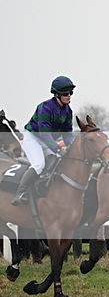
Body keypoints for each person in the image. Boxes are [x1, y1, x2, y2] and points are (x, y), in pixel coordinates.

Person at [12, 76, 76, 206]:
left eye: (71, 93)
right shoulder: (45, 107)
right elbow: (44, 134)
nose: (69, 96)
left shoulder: (68, 111)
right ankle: (20, 193)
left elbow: (67, 135)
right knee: (39, 164)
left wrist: (73, 147)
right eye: (65, 93)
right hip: (33, 138)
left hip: (47, 141)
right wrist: (58, 148)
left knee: (56, 161)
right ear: (57, 94)